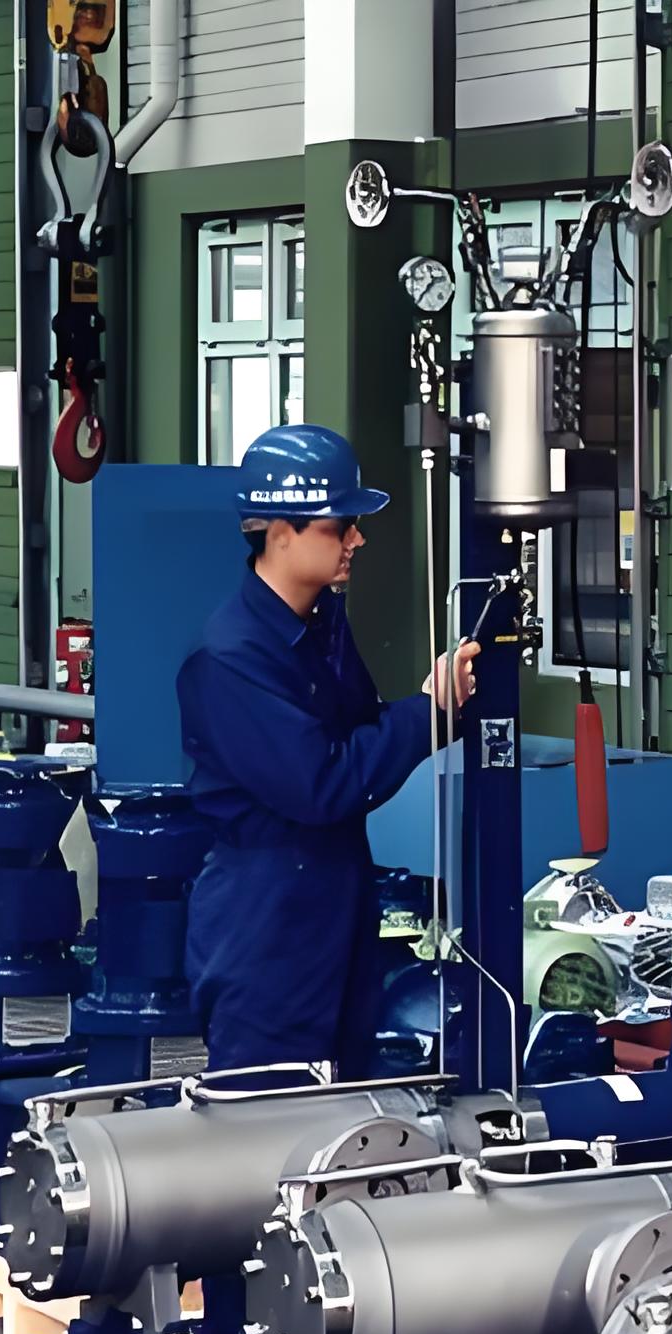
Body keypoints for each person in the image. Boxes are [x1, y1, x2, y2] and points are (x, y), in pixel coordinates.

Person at [178, 423, 478, 1077]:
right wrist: (429, 713)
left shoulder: (320, 626)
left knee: (344, 1115)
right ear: (280, 532)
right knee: (271, 1117)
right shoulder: (233, 658)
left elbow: (361, 733)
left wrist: (431, 710)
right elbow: (323, 783)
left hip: (333, 910)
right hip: (268, 929)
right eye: (340, 525)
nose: (357, 540)